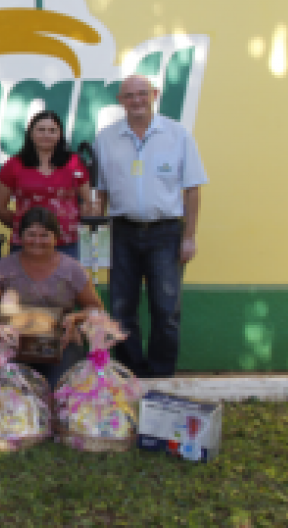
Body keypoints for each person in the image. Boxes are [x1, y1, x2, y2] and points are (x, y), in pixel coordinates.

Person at [94, 75, 207, 378]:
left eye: (142, 94)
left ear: (154, 95)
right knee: (121, 311)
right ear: (121, 100)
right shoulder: (105, 139)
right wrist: (98, 241)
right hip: (121, 233)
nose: (136, 100)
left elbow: (193, 189)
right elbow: (100, 193)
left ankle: (160, 377)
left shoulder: (177, 135)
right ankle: (131, 376)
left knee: (166, 311)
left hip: (166, 233)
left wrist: (189, 236)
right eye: (129, 95)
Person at [0, 206, 106, 386]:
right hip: (15, 344)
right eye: (31, 234)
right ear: (20, 237)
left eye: (44, 235)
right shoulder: (5, 268)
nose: (37, 240)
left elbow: (96, 308)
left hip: (62, 345)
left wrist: (75, 317)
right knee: (14, 393)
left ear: (56, 237)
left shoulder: (72, 269)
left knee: (58, 391)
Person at [0, 110, 94, 259]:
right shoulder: (14, 164)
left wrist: (83, 214)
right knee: (22, 283)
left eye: (52, 130)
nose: (46, 135)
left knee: (66, 283)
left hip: (67, 244)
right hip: (26, 244)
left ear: (60, 135)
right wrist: (23, 225)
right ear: (31, 134)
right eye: (41, 130)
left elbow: (88, 202)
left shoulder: (74, 162)